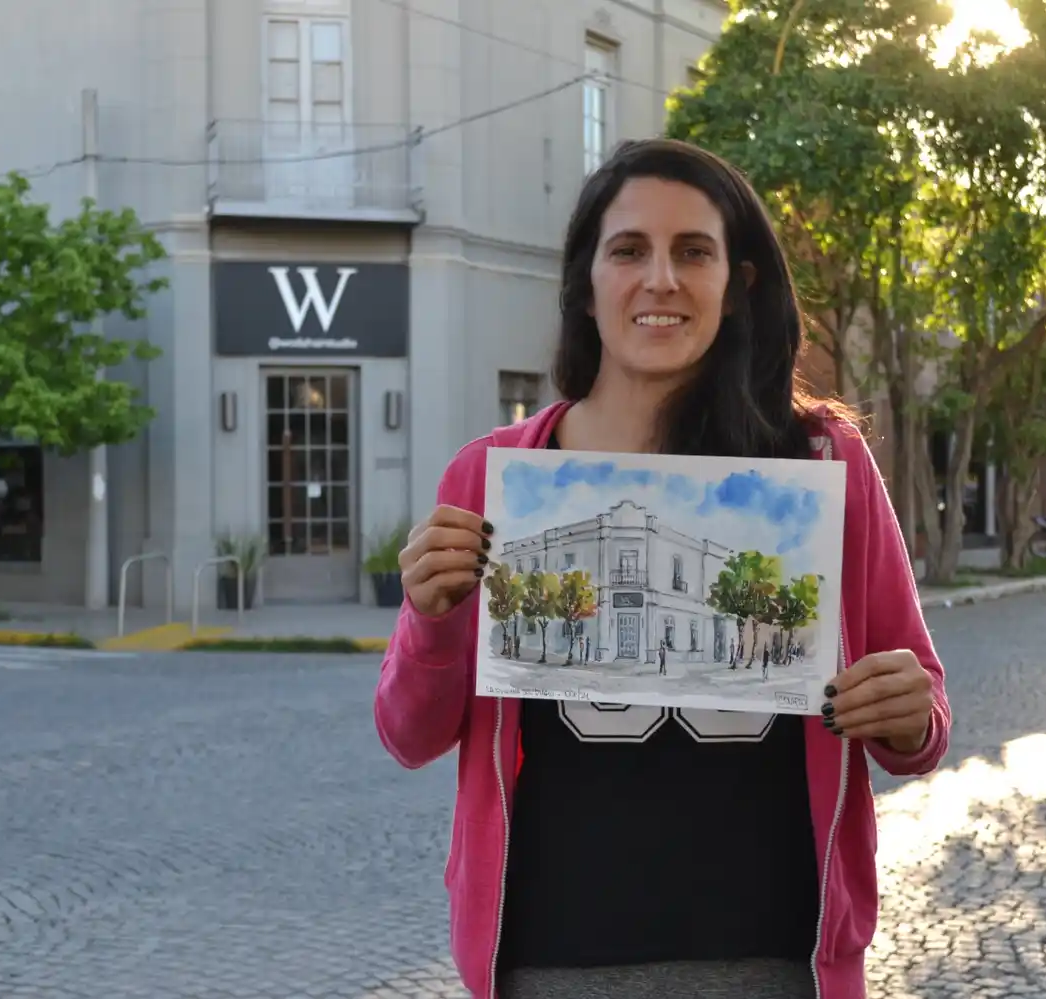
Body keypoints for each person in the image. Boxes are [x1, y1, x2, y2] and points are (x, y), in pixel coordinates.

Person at [372, 138, 951, 999]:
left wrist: (908, 714)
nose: (661, 279)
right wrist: (432, 617)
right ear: (586, 280)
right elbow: (409, 734)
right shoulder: (491, 477)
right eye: (629, 250)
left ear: (737, 280)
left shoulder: (825, 465)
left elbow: (923, 717)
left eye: (694, 251)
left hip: (774, 965)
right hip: (549, 965)